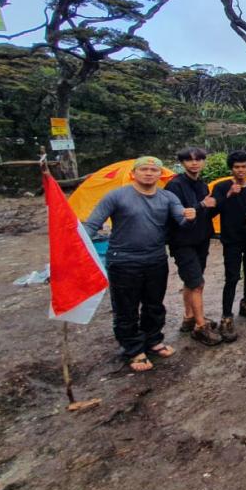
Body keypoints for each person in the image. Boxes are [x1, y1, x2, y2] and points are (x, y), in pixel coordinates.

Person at [84, 156, 194, 371]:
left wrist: (189, 216)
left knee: (154, 304)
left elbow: (180, 220)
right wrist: (74, 248)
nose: (149, 173)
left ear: (160, 175)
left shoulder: (167, 197)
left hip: (155, 259)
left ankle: (153, 339)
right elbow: (92, 224)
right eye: (144, 169)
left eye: (154, 170)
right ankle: (133, 349)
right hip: (123, 261)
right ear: (133, 173)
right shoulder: (117, 196)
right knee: (126, 308)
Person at [165, 146, 222, 346]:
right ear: (182, 163)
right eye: (189, 160)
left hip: (201, 240)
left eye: (198, 159)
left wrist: (218, 204)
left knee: (192, 281)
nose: (194, 163)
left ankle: (189, 317)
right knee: (197, 283)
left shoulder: (202, 185)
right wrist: (202, 206)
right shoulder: (175, 186)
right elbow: (179, 215)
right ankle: (200, 327)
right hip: (183, 242)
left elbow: (204, 214)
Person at [212, 150, 246, 340]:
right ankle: (226, 316)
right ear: (231, 168)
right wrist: (228, 194)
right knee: (232, 277)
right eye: (236, 167)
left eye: (244, 167)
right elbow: (212, 210)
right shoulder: (221, 186)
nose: (240, 170)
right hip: (231, 240)